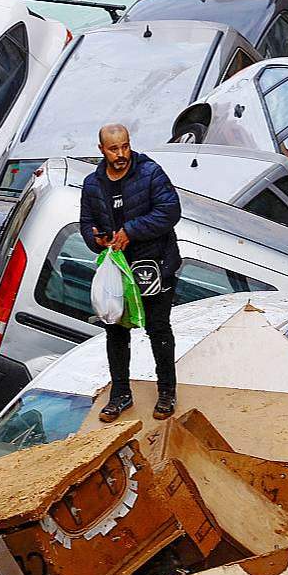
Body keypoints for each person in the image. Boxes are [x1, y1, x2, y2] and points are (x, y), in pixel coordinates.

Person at [80, 124, 182, 422]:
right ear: (102, 150)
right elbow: (86, 222)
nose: (121, 154)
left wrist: (131, 231)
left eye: (125, 147)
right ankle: (120, 394)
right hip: (118, 269)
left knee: (158, 329)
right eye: (114, 149)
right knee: (115, 330)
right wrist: (95, 238)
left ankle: (167, 391)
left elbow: (169, 211)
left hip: (154, 265)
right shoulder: (93, 184)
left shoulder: (150, 173)